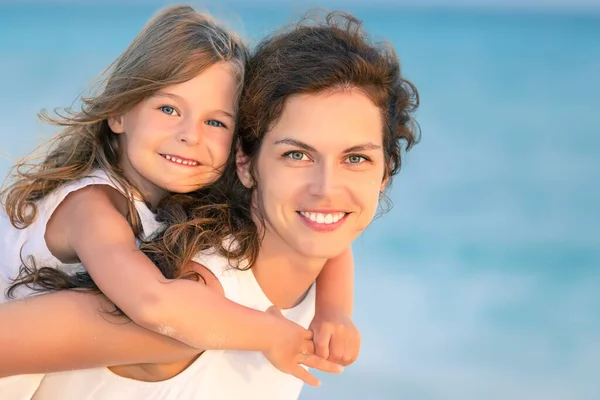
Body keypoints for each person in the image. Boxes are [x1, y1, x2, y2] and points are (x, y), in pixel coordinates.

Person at [0, 8, 419, 400]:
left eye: (356, 158)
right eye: (297, 154)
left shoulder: (300, 262)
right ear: (247, 162)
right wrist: (269, 333)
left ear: (385, 174)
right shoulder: (119, 232)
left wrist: (335, 312)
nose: (327, 189)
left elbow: (333, 243)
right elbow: (155, 302)